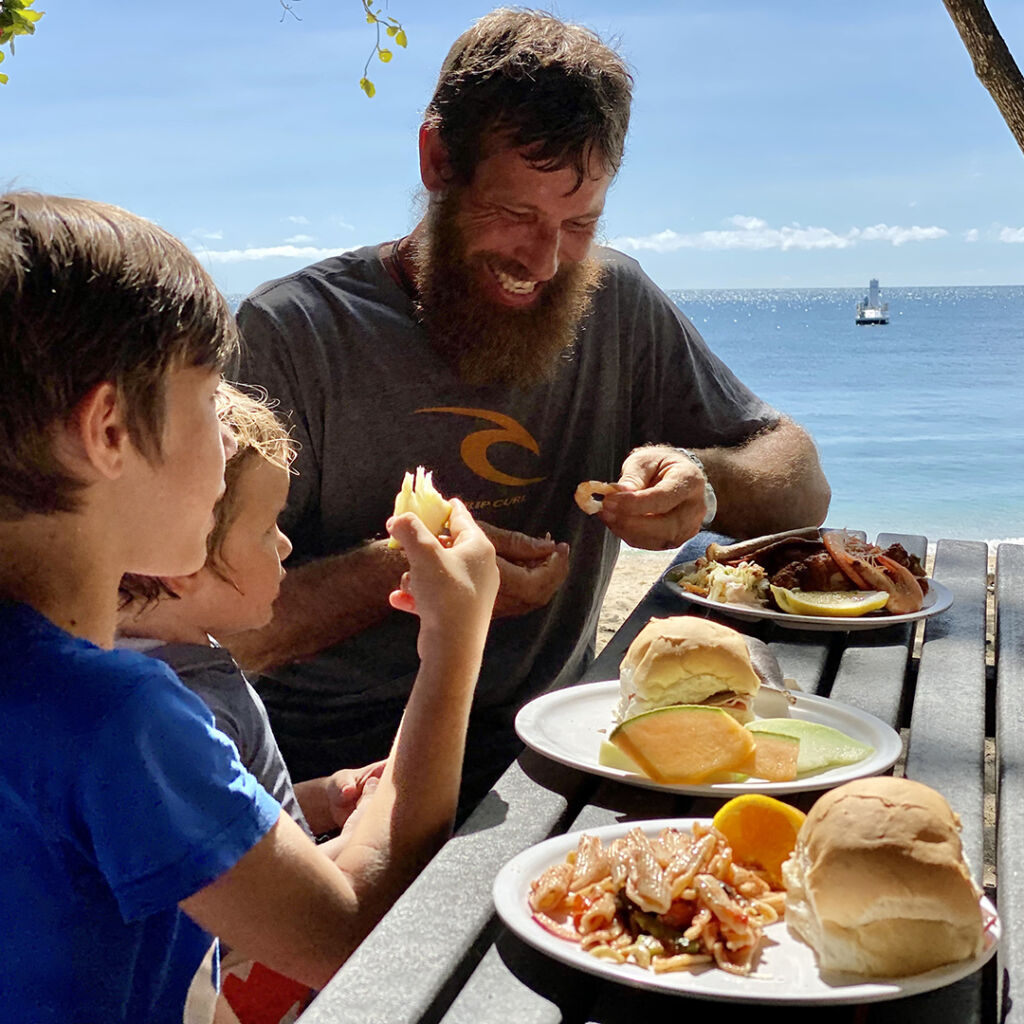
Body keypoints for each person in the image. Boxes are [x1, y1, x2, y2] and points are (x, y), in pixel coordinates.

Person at [229, 8, 832, 812]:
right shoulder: (292, 333)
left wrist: (706, 484)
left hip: (557, 757)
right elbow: (225, 628)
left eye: (578, 223)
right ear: (438, 159)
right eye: (516, 215)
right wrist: (413, 570)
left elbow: (802, 483)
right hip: (339, 782)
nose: (544, 262)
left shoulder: (615, 304)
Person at [0, 191, 498, 1022]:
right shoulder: (121, 720)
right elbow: (351, 927)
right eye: (209, 401)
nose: (229, 441)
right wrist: (456, 642)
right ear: (111, 431)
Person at [118, 382, 384, 843]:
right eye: (266, 528)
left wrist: (324, 799)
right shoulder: (187, 715)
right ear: (184, 555)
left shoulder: (190, 652)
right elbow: (293, 907)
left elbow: (242, 824)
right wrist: (452, 636)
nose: (285, 545)